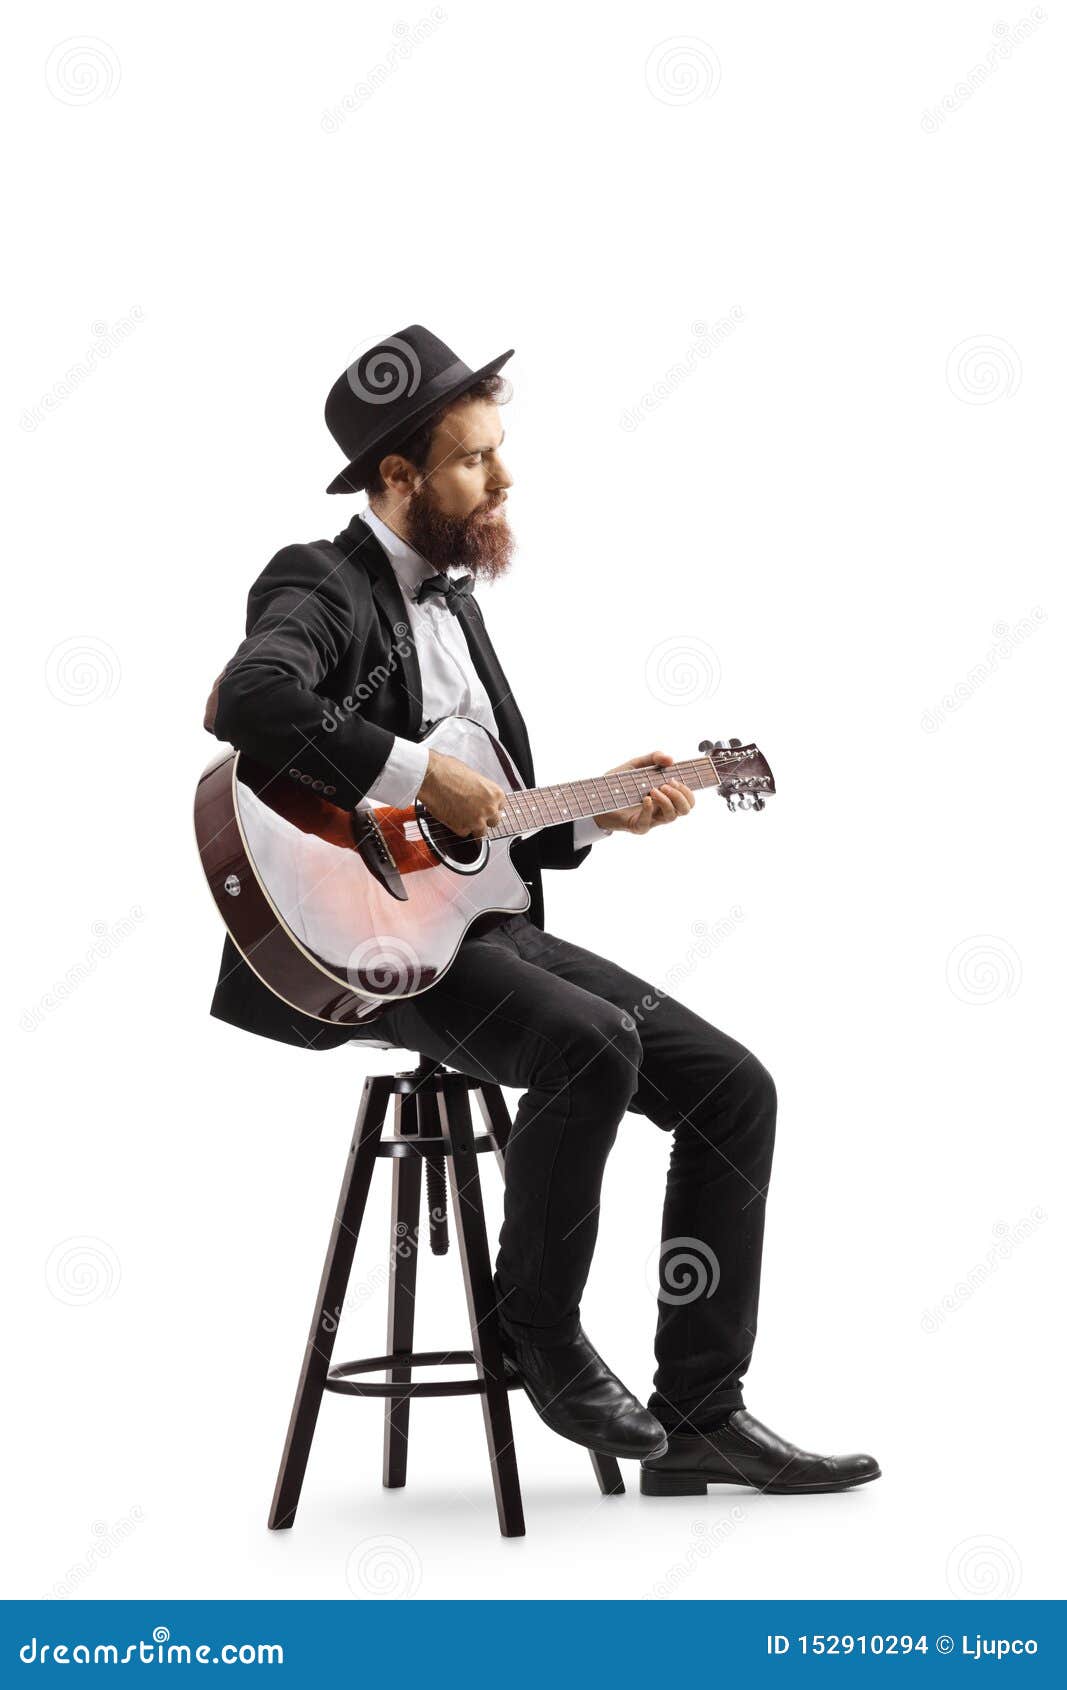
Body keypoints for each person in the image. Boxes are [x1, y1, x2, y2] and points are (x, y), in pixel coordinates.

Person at [204, 325, 880, 1497]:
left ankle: (702, 1411)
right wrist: (420, 774)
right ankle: (538, 1331)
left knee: (731, 1087)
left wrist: (594, 813)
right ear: (398, 478)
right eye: (472, 461)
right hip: (366, 943)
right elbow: (251, 698)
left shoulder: (458, 611)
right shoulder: (319, 580)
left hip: (473, 927)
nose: (501, 481)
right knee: (590, 1044)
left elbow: (472, 836)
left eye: (498, 454)